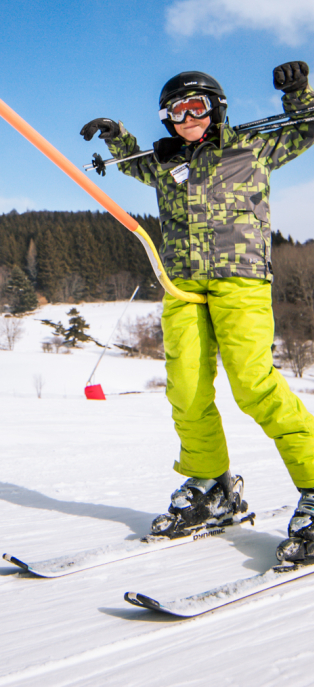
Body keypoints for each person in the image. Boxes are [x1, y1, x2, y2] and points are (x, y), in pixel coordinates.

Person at [80, 62, 314, 562]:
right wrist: (117, 135)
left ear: (216, 109)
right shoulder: (164, 161)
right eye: (175, 110)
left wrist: (299, 94)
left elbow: (306, 128)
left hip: (241, 278)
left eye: (197, 107)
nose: (187, 117)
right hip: (182, 282)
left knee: (253, 383)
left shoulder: (251, 147)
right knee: (185, 386)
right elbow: (132, 165)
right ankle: (211, 485)